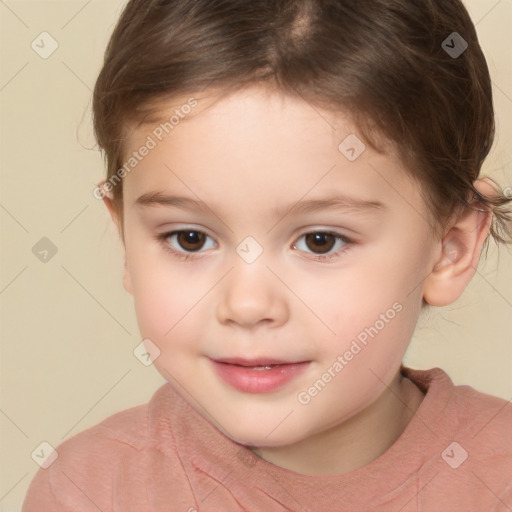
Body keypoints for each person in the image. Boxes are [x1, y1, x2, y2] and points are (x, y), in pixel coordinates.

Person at [23, 0, 512, 510]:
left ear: (448, 249)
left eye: (320, 241)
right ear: (126, 239)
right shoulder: (90, 492)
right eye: (189, 238)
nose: (248, 304)